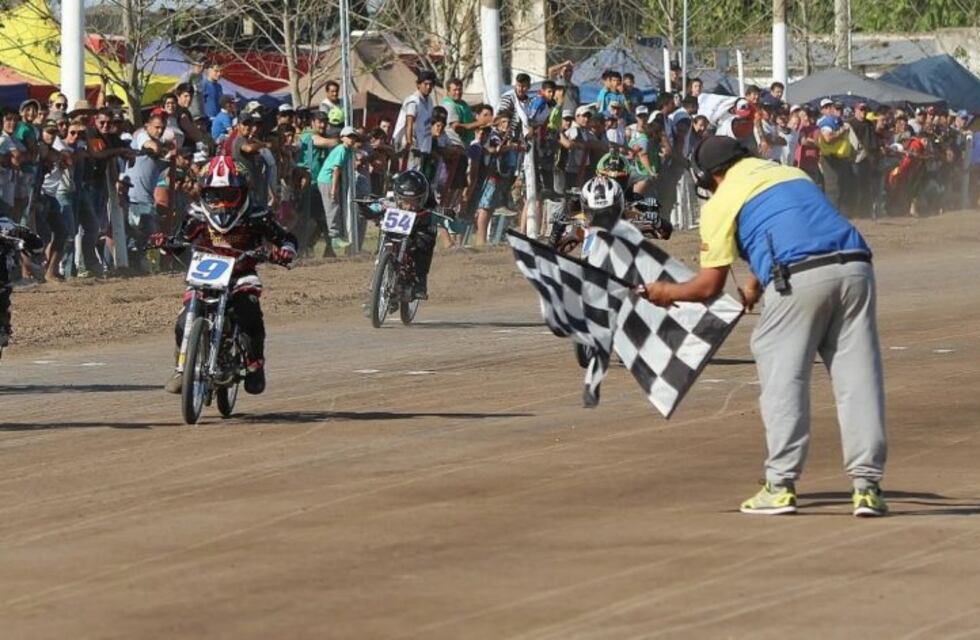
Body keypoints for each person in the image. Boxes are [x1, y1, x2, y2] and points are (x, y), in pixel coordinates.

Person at [642, 136, 888, 517]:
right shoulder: (789, 173)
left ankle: (780, 484)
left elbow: (708, 287)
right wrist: (756, 281)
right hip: (856, 266)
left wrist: (665, 291)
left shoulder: (722, 200)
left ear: (709, 177)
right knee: (858, 379)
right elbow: (796, 226)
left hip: (798, 277)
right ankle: (867, 487)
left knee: (783, 376)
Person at [155, 156, 297, 395]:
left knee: (249, 311)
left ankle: (255, 365)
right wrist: (165, 243)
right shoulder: (197, 212)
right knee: (182, 322)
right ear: (204, 192)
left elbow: (285, 238)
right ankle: (182, 369)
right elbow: (181, 240)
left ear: (241, 191)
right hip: (205, 274)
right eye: (214, 194)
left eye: (228, 194)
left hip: (241, 274)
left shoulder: (257, 213)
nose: (220, 202)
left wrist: (284, 252)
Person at [388, 170, 436, 299]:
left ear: (422, 198)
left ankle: (421, 281)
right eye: (405, 200)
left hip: (420, 224)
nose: (409, 206)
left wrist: (443, 213)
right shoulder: (391, 197)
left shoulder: (430, 201)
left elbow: (439, 212)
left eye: (413, 201)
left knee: (426, 240)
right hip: (397, 225)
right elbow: (377, 205)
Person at [0, 215, 43, 347]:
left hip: (2, 279)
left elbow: (37, 247)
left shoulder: (7, 224)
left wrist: (22, 237)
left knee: (3, 305)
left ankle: (3, 328)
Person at [317, 126, 359, 255]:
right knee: (332, 207)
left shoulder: (348, 150)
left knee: (336, 207)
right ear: (342, 138)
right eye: (349, 136)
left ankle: (336, 236)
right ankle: (334, 237)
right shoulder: (341, 150)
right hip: (327, 180)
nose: (352, 139)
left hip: (331, 180)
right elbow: (336, 170)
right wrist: (334, 188)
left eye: (353, 137)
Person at [394, 71, 437, 172]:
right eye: (425, 84)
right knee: (410, 174)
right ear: (418, 84)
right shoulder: (413, 100)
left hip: (422, 145)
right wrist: (409, 142)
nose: (428, 87)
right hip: (410, 144)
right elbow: (409, 121)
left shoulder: (429, 101)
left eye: (431, 84)